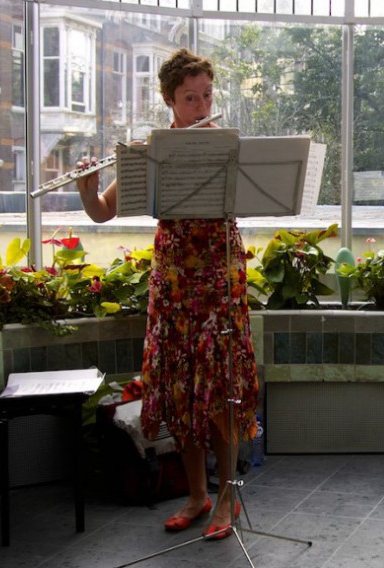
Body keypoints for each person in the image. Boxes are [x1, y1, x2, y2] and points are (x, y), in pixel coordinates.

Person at [74, 48, 258, 541]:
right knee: (181, 390)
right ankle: (197, 495)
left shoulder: (226, 144)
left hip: (219, 277)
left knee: (218, 388)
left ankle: (225, 497)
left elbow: (255, 197)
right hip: (175, 282)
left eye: (206, 96)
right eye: (189, 98)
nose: (200, 107)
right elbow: (101, 213)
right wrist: (87, 188)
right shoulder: (151, 149)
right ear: (170, 101)